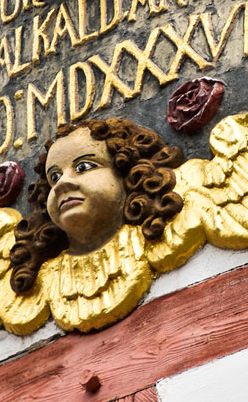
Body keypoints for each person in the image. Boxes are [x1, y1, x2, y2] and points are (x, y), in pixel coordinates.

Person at [9, 118, 184, 293]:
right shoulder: (47, 281)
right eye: (54, 177)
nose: (61, 183)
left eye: (83, 167)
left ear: (129, 173)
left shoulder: (177, 227)